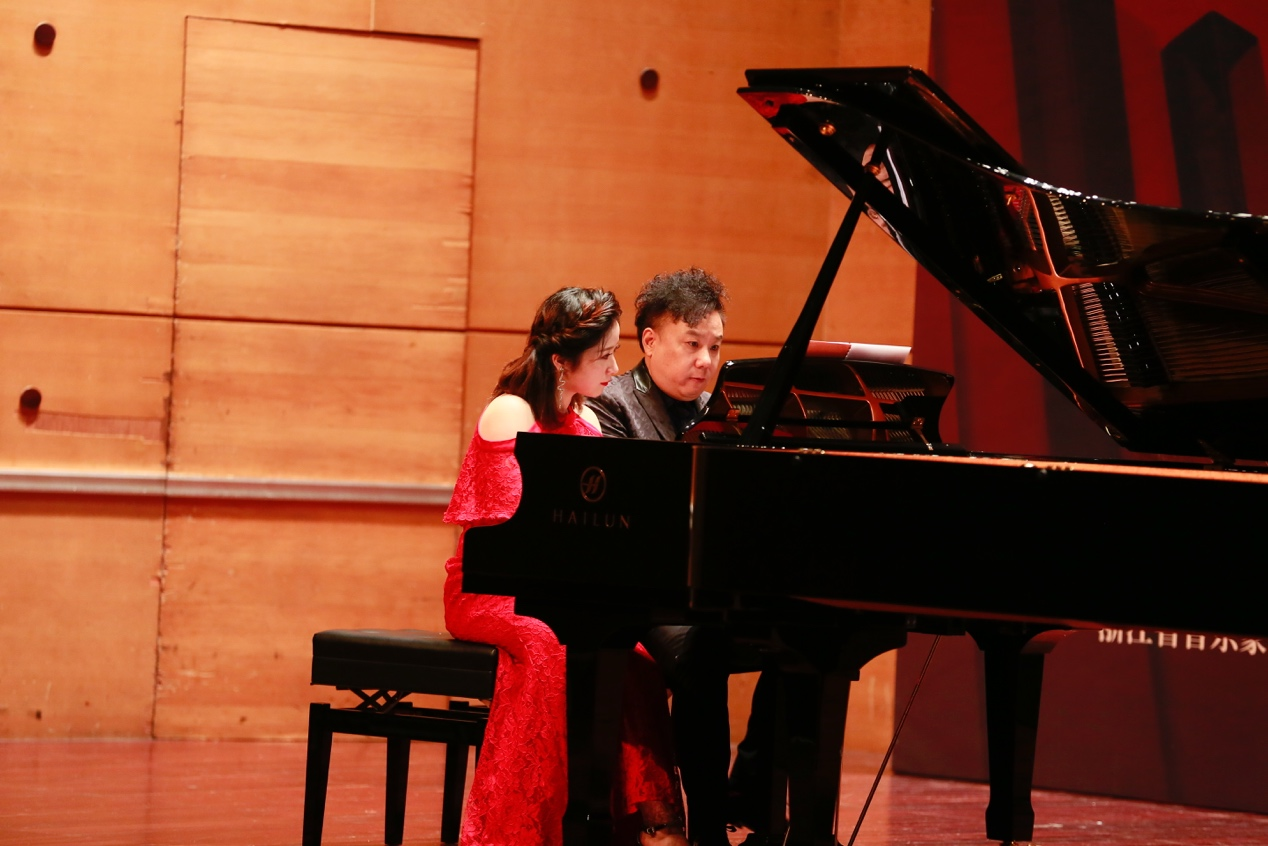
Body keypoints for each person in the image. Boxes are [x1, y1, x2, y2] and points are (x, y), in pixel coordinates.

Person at [443, 287, 687, 846]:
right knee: (549, 644)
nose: (615, 368)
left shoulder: (588, 419)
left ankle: (637, 822)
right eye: (604, 356)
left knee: (634, 657)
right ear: (561, 361)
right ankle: (522, 830)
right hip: (490, 589)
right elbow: (513, 531)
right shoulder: (511, 412)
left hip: (554, 589)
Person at [589, 269, 771, 846]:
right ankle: (709, 830)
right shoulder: (612, 406)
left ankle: (754, 797)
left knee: (803, 644)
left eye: (714, 347)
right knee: (702, 652)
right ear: (649, 341)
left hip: (706, 589)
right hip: (642, 590)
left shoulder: (723, 410)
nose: (706, 361)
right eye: (692, 344)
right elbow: (622, 524)